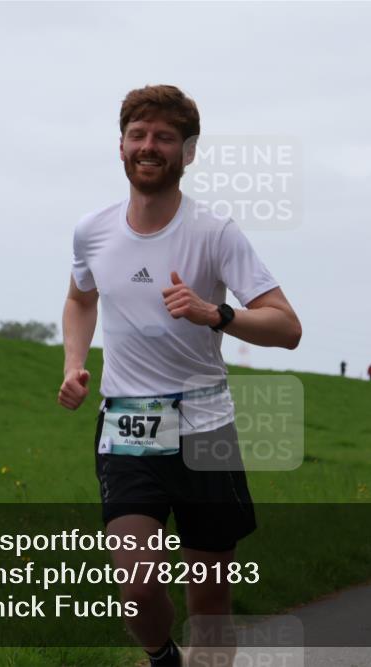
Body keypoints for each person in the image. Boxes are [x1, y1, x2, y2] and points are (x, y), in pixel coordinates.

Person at [58, 85, 301, 667]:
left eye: (164, 137)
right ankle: (164, 658)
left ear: (187, 152)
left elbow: (287, 326)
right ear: (120, 146)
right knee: (137, 584)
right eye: (138, 135)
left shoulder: (215, 233)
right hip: (127, 427)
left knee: (210, 604)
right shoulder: (91, 230)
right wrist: (74, 363)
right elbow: (79, 299)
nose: (149, 146)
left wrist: (214, 312)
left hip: (205, 431)